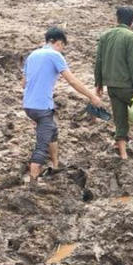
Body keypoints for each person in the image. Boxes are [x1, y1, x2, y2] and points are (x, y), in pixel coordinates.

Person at [22, 27, 102, 186]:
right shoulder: (55, 55)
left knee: (52, 131)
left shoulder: (32, 55)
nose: (61, 49)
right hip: (41, 107)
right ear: (58, 42)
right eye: (62, 46)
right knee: (41, 146)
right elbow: (71, 80)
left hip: (28, 105)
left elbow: (23, 83)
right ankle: (32, 183)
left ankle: (56, 164)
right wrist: (92, 96)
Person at [95, 7, 133, 159]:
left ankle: (124, 155)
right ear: (132, 21)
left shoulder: (105, 35)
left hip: (111, 87)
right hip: (127, 86)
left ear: (117, 18)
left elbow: (98, 61)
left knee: (120, 121)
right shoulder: (131, 36)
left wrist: (98, 83)